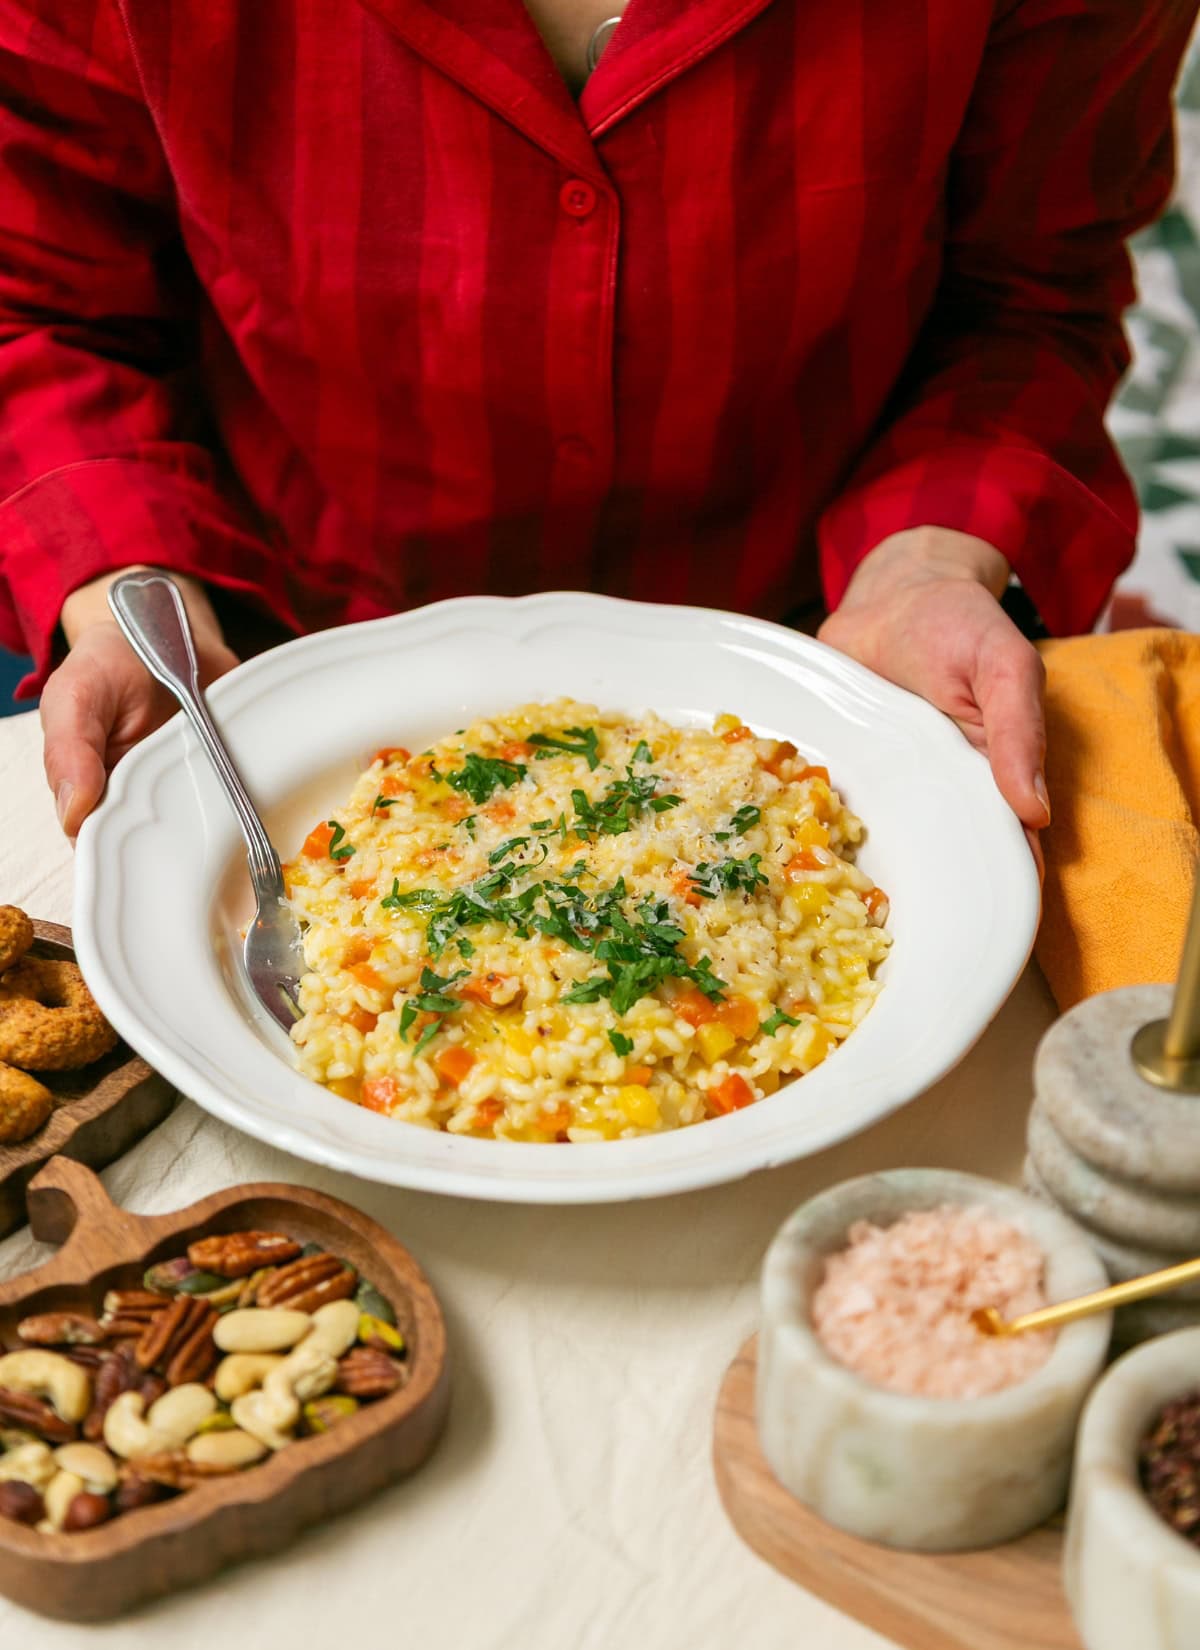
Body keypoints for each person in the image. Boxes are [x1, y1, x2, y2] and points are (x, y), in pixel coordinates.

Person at [0, 2, 1192, 849]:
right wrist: (129, 591)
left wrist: (929, 560)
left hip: (818, 672)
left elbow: (1030, 294)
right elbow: (43, 307)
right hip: (267, 685)